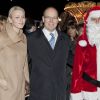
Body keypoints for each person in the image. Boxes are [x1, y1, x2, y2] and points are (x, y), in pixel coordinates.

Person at [27, 6, 70, 100]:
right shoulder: (31, 39)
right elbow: (23, 64)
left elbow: (72, 60)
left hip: (60, 93)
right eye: (48, 17)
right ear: (43, 19)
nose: (51, 20)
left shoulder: (66, 39)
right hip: (38, 93)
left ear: (58, 20)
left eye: (54, 18)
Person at [70, 6, 100, 100]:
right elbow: (77, 70)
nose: (97, 22)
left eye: (99, 19)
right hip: (89, 91)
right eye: (94, 19)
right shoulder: (82, 42)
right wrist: (76, 92)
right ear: (89, 21)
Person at [0, 6, 29, 100]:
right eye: (17, 17)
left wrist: (27, 82)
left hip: (20, 86)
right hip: (5, 86)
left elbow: (24, 62)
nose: (21, 20)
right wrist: (1, 81)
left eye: (23, 17)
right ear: (10, 19)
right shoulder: (2, 37)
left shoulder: (24, 37)